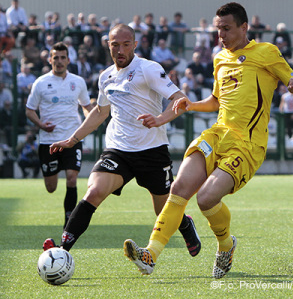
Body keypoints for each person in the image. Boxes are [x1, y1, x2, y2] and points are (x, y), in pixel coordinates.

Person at [123, 2, 293, 279]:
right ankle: (150, 255)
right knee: (179, 187)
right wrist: (190, 105)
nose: (222, 36)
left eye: (227, 29)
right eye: (218, 30)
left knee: (206, 199)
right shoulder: (219, 59)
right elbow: (217, 101)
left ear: (244, 27)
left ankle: (226, 245)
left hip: (248, 145)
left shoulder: (267, 53)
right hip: (217, 135)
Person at [44, 24, 201, 257]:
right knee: (94, 191)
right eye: (115, 45)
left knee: (163, 210)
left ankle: (186, 225)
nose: (120, 50)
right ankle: (61, 250)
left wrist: (160, 119)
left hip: (152, 150)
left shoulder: (148, 69)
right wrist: (72, 139)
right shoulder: (105, 76)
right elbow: (99, 112)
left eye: (126, 44)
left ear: (135, 45)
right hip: (118, 149)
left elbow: (181, 100)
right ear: (108, 46)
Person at [26, 42, 93, 228]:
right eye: (56, 57)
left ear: (68, 60)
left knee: (72, 178)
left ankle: (68, 225)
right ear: (50, 59)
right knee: (51, 187)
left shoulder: (78, 82)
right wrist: (40, 124)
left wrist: (89, 120)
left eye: (63, 57)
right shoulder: (41, 83)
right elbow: (29, 110)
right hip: (49, 141)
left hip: (72, 139)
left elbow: (87, 107)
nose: (59, 61)